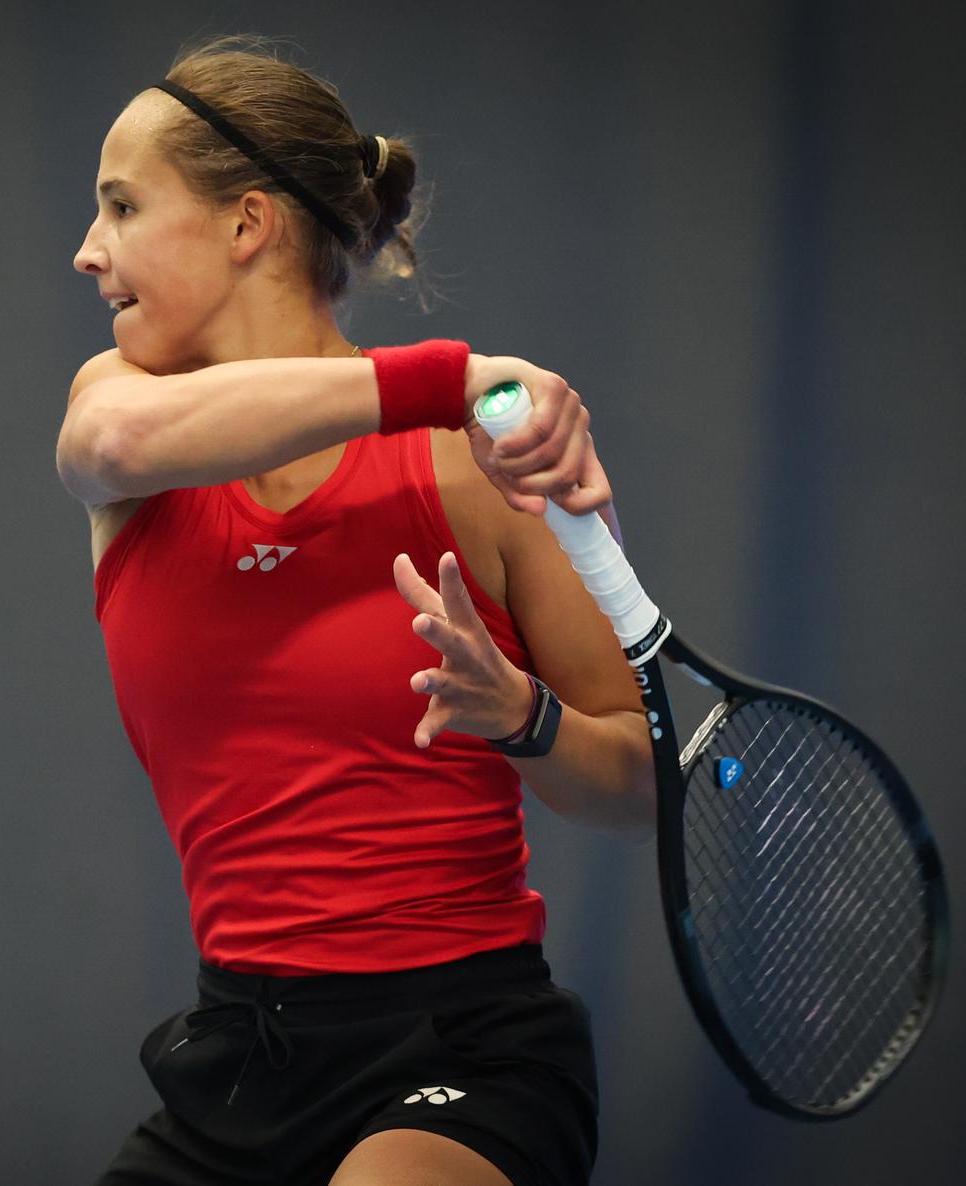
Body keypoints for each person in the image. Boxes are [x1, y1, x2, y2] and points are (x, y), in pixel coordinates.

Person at [57, 36, 655, 1186]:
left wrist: (523, 716)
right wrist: (452, 377)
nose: (88, 253)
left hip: (464, 1055)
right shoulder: (119, 416)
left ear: (246, 225)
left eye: (122, 206)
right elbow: (110, 442)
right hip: (238, 1065)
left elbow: (639, 779)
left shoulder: (481, 468)